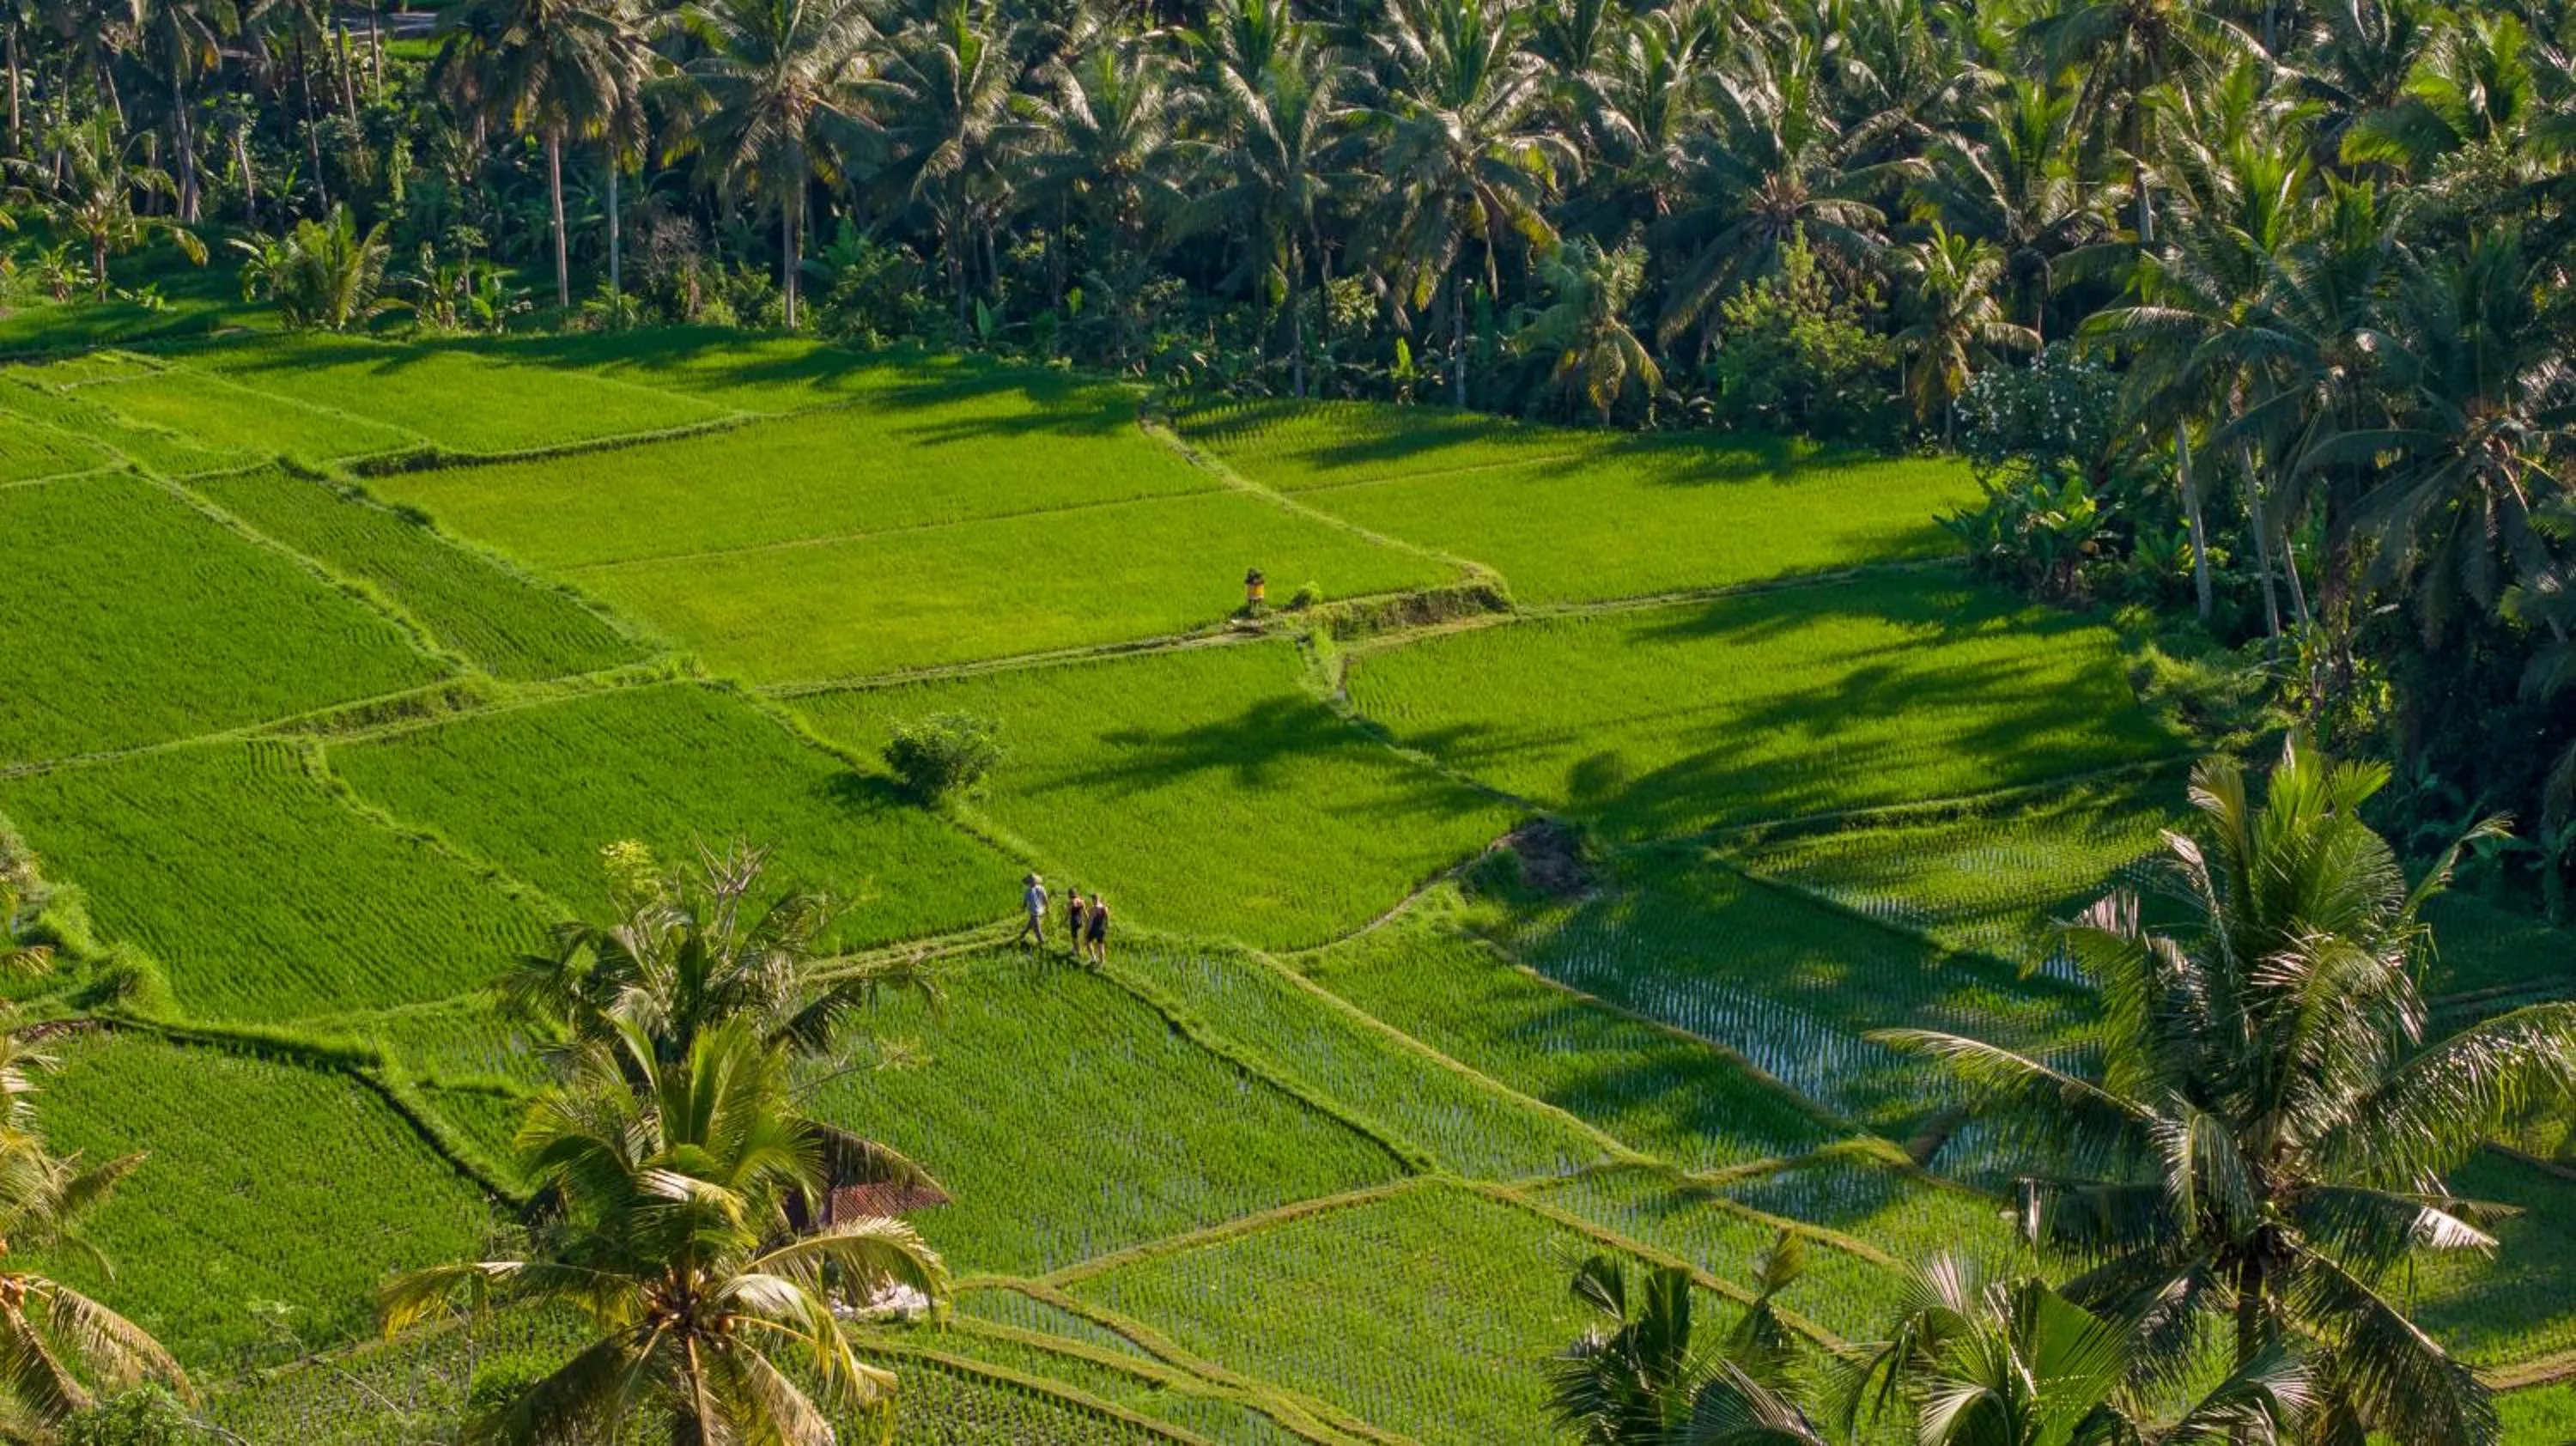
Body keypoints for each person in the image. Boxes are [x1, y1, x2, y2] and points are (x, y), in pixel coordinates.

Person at [1016, 873, 1048, 949]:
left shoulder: (1028, 891)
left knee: (1037, 929)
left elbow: (1025, 903)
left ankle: (1042, 942)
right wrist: (1047, 908)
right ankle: (1022, 934)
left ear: (1029, 883)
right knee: (1031, 924)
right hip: (1041, 910)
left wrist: (1022, 909)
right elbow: (1046, 899)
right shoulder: (1041, 888)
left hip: (1035, 912)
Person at [1084, 892, 1110, 968]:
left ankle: (1093, 958)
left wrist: (1087, 930)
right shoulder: (1105, 908)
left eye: (1093, 900)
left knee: (1087, 942)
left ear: (1094, 899)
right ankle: (1102, 962)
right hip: (1102, 929)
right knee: (1101, 945)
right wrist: (1106, 927)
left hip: (1095, 928)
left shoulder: (1093, 909)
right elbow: (1107, 919)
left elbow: (1090, 921)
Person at [1065, 889, 1089, 957]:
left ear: (1069, 894)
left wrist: (1065, 920)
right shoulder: (1081, 901)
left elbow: (1068, 913)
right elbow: (1085, 911)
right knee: (1078, 936)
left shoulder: (1070, 903)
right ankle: (1077, 949)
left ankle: (1077, 951)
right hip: (1080, 920)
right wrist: (1088, 919)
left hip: (1073, 921)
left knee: (1074, 937)